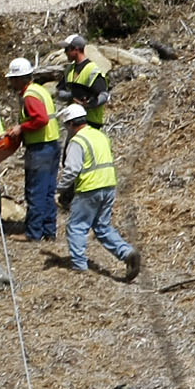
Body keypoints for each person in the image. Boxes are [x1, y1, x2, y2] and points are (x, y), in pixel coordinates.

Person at [58, 103, 140, 279]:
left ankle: (79, 265)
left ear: (71, 124)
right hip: (109, 185)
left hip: (89, 188)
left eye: (66, 126)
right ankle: (127, 253)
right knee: (102, 226)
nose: (67, 130)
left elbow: (72, 169)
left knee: (76, 226)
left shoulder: (77, 141)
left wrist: (60, 187)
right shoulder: (100, 135)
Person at [6, 57, 61, 242]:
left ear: (21, 78)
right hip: (52, 145)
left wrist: (21, 128)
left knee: (35, 191)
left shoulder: (30, 95)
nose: (11, 82)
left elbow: (41, 119)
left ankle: (33, 232)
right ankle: (49, 231)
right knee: (47, 191)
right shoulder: (40, 90)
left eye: (13, 79)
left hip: (40, 149)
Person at [58, 34, 110, 128]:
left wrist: (90, 105)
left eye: (67, 49)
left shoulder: (92, 70)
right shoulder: (69, 69)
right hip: (74, 120)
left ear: (76, 50)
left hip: (91, 122)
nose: (65, 52)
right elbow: (60, 92)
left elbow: (104, 95)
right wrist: (72, 95)